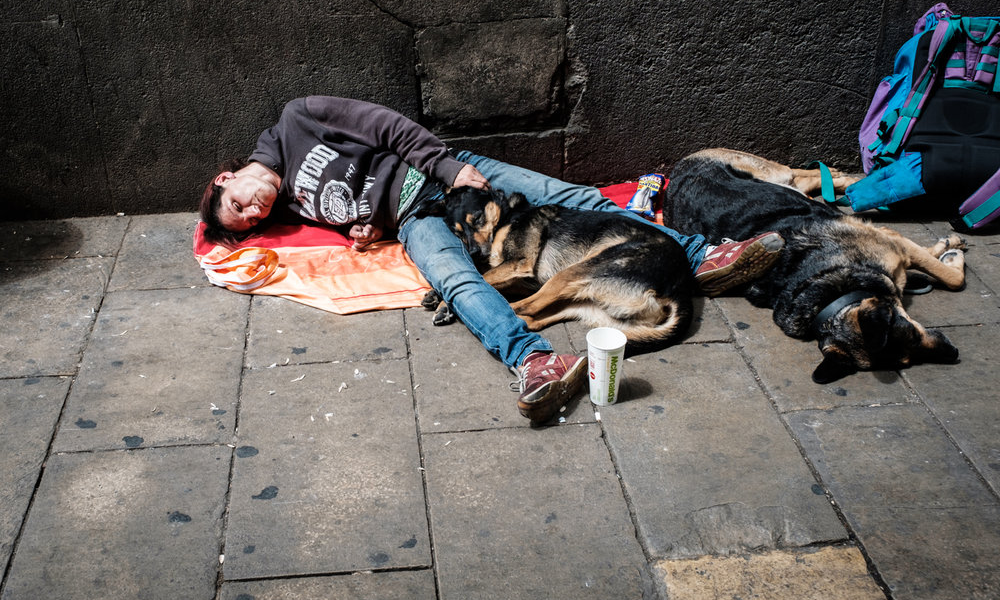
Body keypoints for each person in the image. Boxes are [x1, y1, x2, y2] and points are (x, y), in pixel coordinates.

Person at [200, 96, 783, 423]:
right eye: (246, 222)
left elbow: (384, 125)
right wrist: (365, 226)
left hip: (443, 170)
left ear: (226, 177)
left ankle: (705, 256)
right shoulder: (289, 207)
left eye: (238, 204)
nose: (251, 212)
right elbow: (351, 203)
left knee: (574, 200)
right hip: (415, 220)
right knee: (456, 279)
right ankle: (536, 362)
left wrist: (449, 168)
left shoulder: (298, 116)